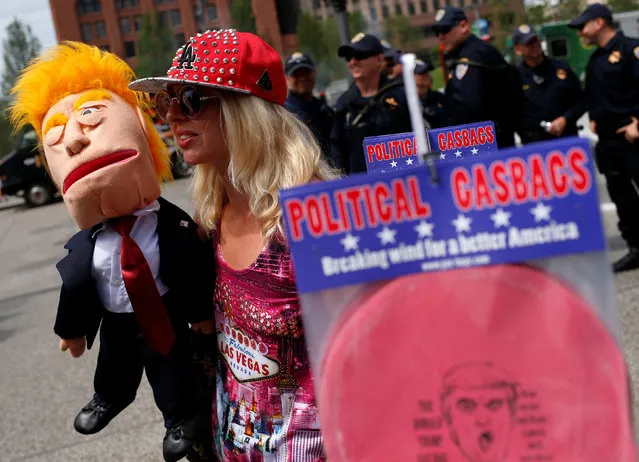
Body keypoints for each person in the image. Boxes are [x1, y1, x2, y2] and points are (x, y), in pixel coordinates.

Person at [129, 30, 339, 461]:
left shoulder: (314, 215)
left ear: (246, 110)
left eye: (189, 99)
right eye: (164, 102)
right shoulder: (209, 216)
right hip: (232, 442)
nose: (171, 116)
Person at [9, 42, 214, 462]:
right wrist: (72, 330)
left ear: (138, 125)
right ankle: (107, 398)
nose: (76, 143)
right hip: (117, 323)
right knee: (114, 369)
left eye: (91, 116)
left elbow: (193, 267)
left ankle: (178, 420)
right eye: (57, 137)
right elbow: (78, 286)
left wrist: (202, 315)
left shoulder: (173, 226)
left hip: (166, 317)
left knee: (172, 374)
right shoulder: (89, 244)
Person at [569, 4, 639, 272]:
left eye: (582, 27)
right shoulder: (596, 59)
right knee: (623, 199)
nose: (580, 33)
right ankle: (636, 248)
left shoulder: (630, 49)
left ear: (599, 23)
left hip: (632, 137)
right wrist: (596, 117)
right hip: (609, 143)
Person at [433, 7, 522, 148]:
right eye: (437, 32)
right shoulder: (473, 52)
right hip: (493, 141)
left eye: (445, 30)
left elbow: (467, 109)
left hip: (486, 146)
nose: (441, 37)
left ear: (463, 26)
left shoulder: (473, 56)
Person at [330, 32, 412, 174]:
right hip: (361, 189)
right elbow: (337, 152)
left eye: (360, 56)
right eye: (349, 57)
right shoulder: (344, 104)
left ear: (379, 59)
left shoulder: (401, 95)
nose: (353, 62)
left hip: (402, 182)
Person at [512, 24, 585, 144]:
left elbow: (581, 100)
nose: (534, 45)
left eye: (535, 40)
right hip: (535, 145)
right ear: (518, 50)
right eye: (528, 43)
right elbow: (512, 113)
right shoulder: (515, 77)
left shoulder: (561, 68)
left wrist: (565, 119)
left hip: (567, 139)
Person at [283, 52, 334, 157]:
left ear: (314, 73)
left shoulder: (322, 108)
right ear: (287, 78)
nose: (302, 78)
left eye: (305, 72)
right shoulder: (285, 114)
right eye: (296, 74)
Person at [414, 58, 449, 129]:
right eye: (421, 73)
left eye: (426, 73)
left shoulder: (439, 98)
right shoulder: (402, 102)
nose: (426, 76)